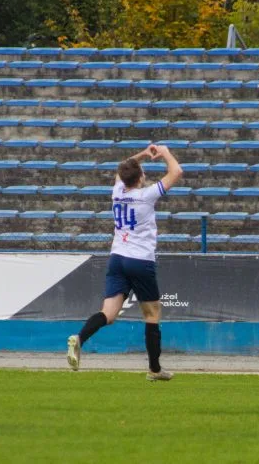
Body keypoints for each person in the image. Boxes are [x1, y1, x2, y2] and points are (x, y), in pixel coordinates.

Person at [67, 143, 183, 381]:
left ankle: (79, 338)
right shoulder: (146, 195)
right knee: (152, 314)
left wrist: (141, 155)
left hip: (117, 258)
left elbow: (122, 169)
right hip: (139, 260)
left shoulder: (117, 192)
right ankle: (154, 369)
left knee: (108, 314)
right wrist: (164, 152)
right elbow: (176, 172)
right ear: (140, 177)